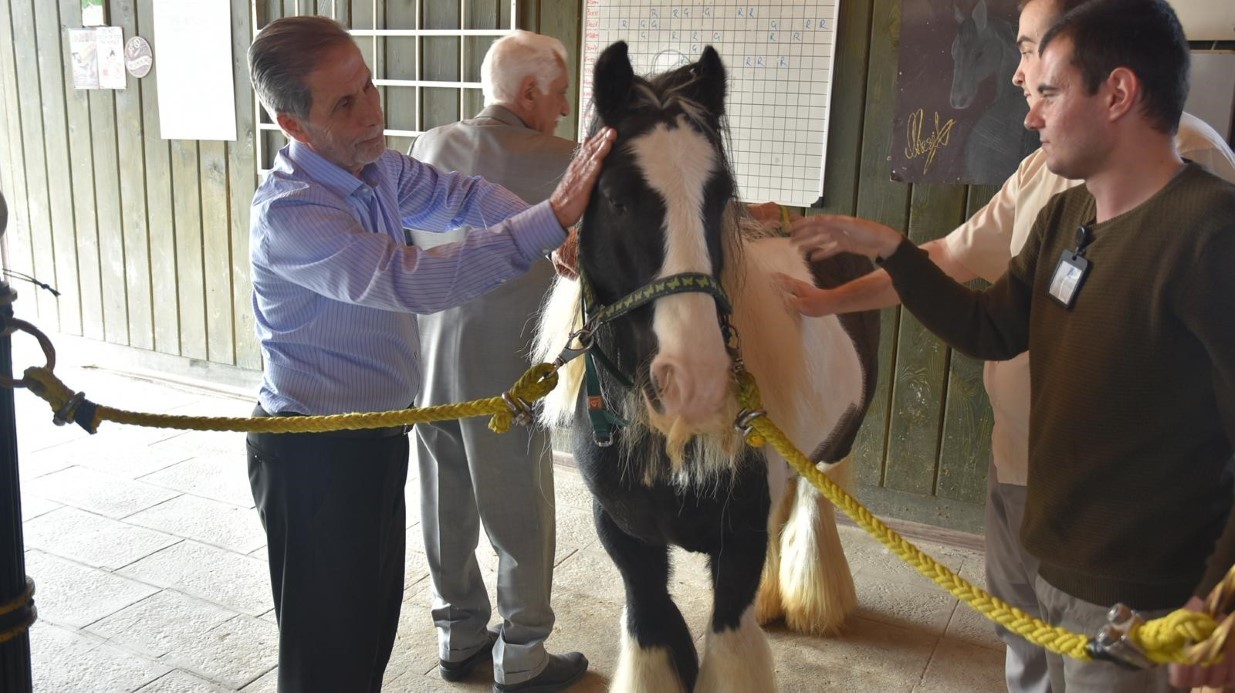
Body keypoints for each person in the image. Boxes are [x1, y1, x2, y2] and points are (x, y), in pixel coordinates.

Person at [779, 0, 1235, 690]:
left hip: (1145, 591)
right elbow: (989, 327)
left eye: (1048, 90)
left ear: (1116, 92)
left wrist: (1221, 601)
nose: (1029, 113)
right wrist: (892, 249)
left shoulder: (1211, 232)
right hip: (1052, 556)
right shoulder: (1064, 212)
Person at [244, 16, 613, 692]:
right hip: (313, 453)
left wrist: (546, 233)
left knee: (367, 631)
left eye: (369, 87)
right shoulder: (294, 212)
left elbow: (460, 195)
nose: (372, 112)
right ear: (294, 126)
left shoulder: (375, 168)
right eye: (344, 103)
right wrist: (549, 219)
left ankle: (460, 635)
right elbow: (407, 280)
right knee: (327, 651)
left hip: (375, 435)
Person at [405, 31, 585, 692]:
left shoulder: (430, 144)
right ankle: (522, 653)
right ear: (530, 91)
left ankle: (458, 634)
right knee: (520, 508)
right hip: (504, 371)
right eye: (560, 94)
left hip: (425, 363)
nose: (563, 110)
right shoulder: (568, 161)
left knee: (442, 495)